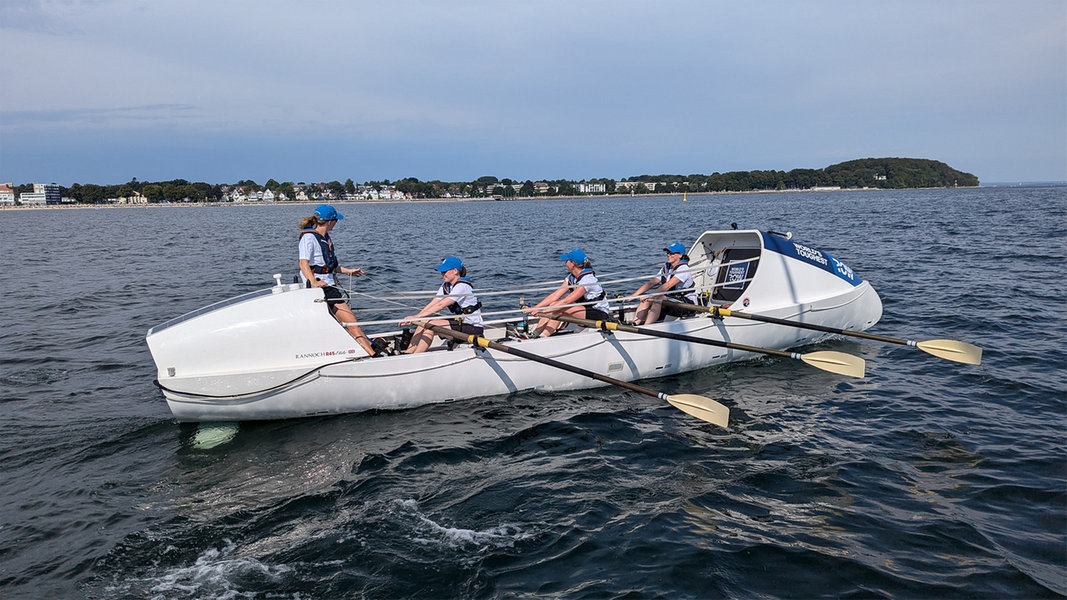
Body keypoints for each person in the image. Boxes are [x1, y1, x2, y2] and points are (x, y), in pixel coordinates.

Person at [298, 204, 377, 356]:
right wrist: (314, 282)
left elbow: (328, 266)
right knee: (351, 322)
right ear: (329, 221)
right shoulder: (309, 238)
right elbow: (303, 263)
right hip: (322, 289)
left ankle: (367, 349)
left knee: (345, 323)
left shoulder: (325, 238)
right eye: (336, 221)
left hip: (329, 285)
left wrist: (349, 272)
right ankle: (372, 355)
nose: (336, 224)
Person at [399, 256, 484, 353]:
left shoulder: (462, 286)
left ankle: (415, 358)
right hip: (461, 323)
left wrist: (416, 317)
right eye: (441, 272)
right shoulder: (446, 286)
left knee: (429, 325)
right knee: (422, 323)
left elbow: (441, 305)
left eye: (444, 272)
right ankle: (408, 353)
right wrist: (416, 317)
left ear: (455, 271)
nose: (442, 274)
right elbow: (434, 303)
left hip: (473, 327)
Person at [523, 249, 611, 337]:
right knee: (555, 305)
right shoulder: (570, 278)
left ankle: (543, 337)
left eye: (566, 261)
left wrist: (542, 311)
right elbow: (554, 296)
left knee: (561, 308)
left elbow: (567, 301)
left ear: (572, 263)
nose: (565, 263)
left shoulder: (587, 280)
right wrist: (535, 307)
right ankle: (535, 334)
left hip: (599, 313)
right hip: (584, 309)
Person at [627, 241, 699, 325]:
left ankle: (647, 327)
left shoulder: (683, 268)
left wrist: (650, 295)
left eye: (672, 253)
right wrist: (633, 295)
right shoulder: (666, 267)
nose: (668, 255)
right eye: (668, 253)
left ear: (680, 255)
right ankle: (635, 324)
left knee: (657, 298)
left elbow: (667, 285)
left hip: (687, 303)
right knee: (646, 300)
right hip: (672, 299)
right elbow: (651, 283)